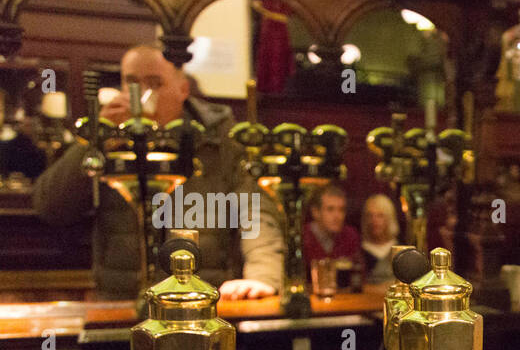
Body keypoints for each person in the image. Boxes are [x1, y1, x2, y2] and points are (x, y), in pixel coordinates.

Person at [32, 44, 283, 300]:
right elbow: (51, 207)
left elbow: (254, 210)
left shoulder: (218, 138)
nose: (140, 95)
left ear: (182, 89)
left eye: (154, 83)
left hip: (200, 301)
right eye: (131, 82)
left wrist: (263, 275)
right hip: (124, 301)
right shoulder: (106, 137)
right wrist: (98, 143)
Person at [302, 183, 363, 268]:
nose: (337, 216)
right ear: (315, 212)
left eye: (341, 210)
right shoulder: (302, 237)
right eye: (330, 209)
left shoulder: (350, 236)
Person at [360, 193, 400, 285]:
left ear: (390, 218)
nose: (374, 220)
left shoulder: (401, 251)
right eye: (370, 215)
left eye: (380, 215)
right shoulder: (358, 252)